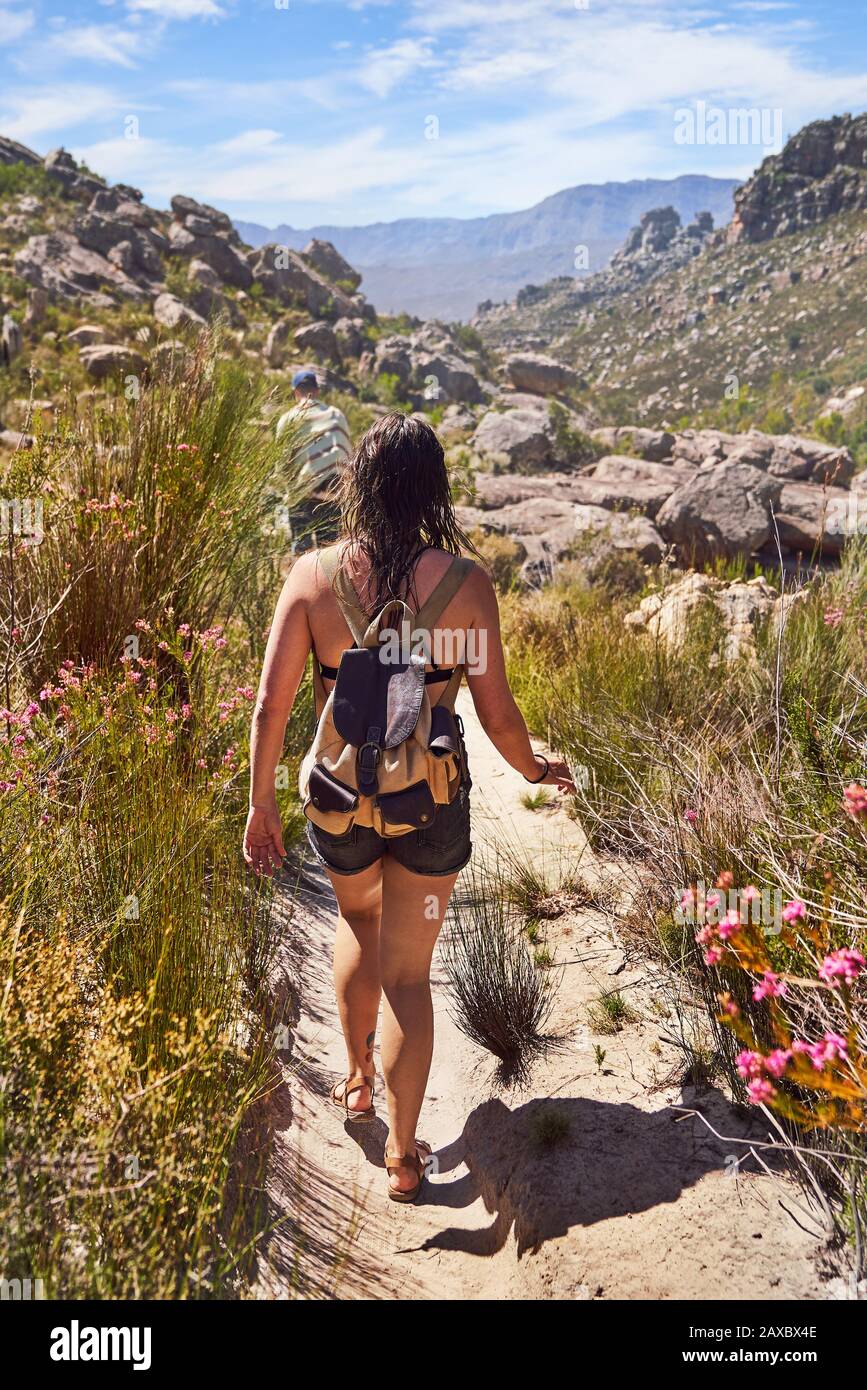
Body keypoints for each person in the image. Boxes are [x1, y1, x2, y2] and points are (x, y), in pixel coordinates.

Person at [244, 413, 574, 1202]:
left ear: (359, 483)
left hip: (338, 802)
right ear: (433, 488)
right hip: (427, 807)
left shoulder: (314, 578)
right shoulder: (463, 588)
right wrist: (535, 768)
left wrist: (259, 809)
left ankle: (356, 1079)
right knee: (408, 972)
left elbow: (269, 705)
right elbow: (495, 713)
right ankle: (402, 1152)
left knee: (356, 925)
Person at [275, 369, 352, 549]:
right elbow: (346, 455)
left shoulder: (288, 419)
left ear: (295, 391)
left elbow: (283, 462)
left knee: (302, 550)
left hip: (301, 491)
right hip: (332, 490)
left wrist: (293, 483)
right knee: (330, 551)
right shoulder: (335, 415)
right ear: (317, 391)